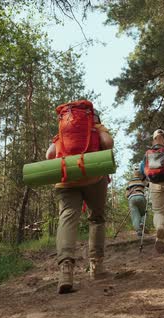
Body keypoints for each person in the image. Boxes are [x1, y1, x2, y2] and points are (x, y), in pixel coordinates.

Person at [46, 100, 114, 294]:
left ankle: (65, 270)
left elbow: (49, 155)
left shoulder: (61, 132)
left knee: (67, 217)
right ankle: (97, 267)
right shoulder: (95, 125)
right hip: (93, 177)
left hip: (65, 178)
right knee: (96, 218)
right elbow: (108, 143)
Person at [125, 164, 147, 237]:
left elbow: (127, 194)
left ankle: (138, 230)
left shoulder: (130, 182)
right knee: (144, 213)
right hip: (141, 196)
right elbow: (148, 185)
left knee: (135, 215)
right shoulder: (142, 180)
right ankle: (142, 223)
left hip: (132, 198)